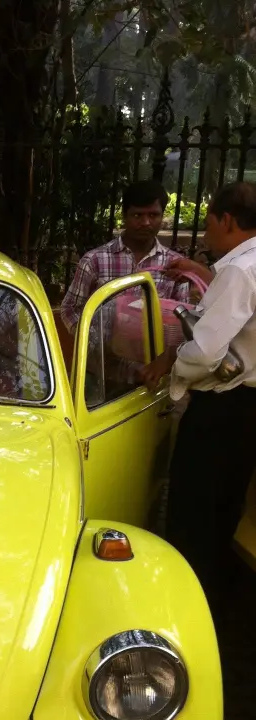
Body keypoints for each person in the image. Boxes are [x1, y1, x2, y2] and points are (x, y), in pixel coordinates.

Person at [141, 181, 256, 605]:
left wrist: (175, 366)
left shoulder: (239, 271)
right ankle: (214, 600)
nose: (206, 234)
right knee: (224, 507)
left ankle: (185, 601)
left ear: (227, 221)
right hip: (247, 409)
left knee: (193, 514)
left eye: (208, 223)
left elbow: (206, 350)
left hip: (222, 409)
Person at [59, 179, 212, 337]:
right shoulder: (95, 261)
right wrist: (96, 341)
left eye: (153, 215)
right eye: (137, 215)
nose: (145, 222)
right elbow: (70, 309)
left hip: (154, 353)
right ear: (125, 215)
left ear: (162, 216)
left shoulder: (174, 265)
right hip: (102, 352)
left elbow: (180, 317)